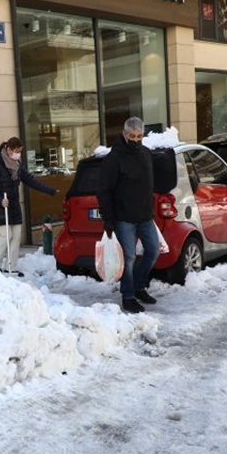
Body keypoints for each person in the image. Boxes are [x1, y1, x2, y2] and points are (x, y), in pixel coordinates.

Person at [97, 117, 160, 314]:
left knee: (153, 251)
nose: (136, 140)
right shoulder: (114, 158)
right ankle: (128, 296)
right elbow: (103, 190)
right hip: (124, 217)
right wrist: (108, 219)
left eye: (139, 136)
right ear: (125, 135)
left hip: (145, 216)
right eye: (132, 136)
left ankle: (139, 286)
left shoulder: (146, 154)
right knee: (129, 258)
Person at [0, 137, 58, 277]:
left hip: (13, 205)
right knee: (6, 235)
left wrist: (49, 190)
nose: (18, 154)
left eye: (20, 152)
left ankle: (10, 267)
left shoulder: (17, 164)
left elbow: (29, 179)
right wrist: (0, 200)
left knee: (16, 236)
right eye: (16, 151)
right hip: (1, 205)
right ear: (8, 149)